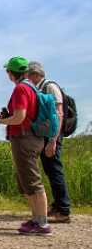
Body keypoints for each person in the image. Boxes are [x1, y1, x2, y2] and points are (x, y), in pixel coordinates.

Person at [0, 56, 52, 235]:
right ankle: (37, 219)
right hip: (32, 137)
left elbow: (20, 117)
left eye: (7, 71)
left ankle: (42, 223)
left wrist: (4, 120)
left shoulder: (21, 89)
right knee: (27, 180)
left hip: (24, 138)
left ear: (11, 73)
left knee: (32, 180)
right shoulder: (31, 87)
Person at [28, 61, 71, 223]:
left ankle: (63, 210)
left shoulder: (50, 86)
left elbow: (59, 114)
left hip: (53, 136)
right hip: (47, 136)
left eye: (28, 75)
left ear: (34, 74)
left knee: (54, 170)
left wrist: (53, 140)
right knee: (50, 170)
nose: (26, 79)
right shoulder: (40, 87)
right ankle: (57, 205)